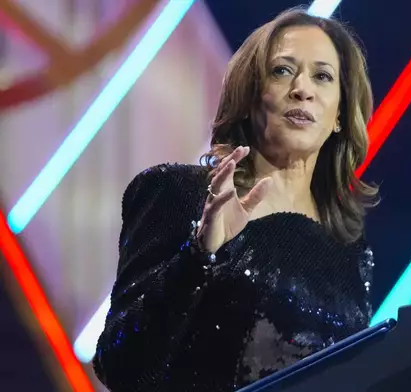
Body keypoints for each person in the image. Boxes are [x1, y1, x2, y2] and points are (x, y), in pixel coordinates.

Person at [93, 6, 379, 391]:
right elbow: (119, 364)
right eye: (282, 70)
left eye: (323, 77)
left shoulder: (350, 252)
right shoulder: (181, 193)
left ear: (341, 114)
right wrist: (198, 256)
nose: (303, 89)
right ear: (249, 95)